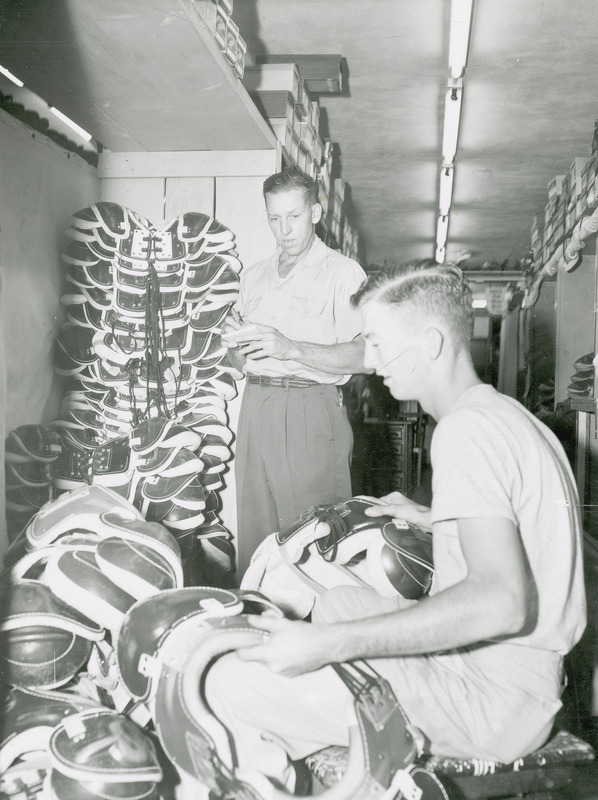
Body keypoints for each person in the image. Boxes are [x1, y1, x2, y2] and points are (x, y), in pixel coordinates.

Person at [206, 259, 587, 792]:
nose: (371, 360)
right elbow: (531, 527)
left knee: (228, 686)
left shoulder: (464, 433)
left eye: (379, 343)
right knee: (337, 602)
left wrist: (328, 647)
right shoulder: (510, 418)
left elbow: (501, 601)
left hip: (490, 699)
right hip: (529, 676)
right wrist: (433, 516)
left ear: (430, 342)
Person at [222, 165, 368, 579]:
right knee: (256, 534)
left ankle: (321, 632)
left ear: (316, 213)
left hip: (310, 408)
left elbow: (368, 356)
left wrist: (292, 348)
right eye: (274, 218)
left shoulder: (344, 273)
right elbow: (238, 363)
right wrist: (232, 344)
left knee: (314, 540)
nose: (284, 229)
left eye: (294, 216)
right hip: (256, 406)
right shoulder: (253, 277)